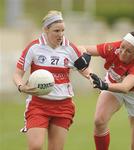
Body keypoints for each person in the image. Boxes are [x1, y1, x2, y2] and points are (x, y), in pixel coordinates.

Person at [13, 10, 91, 150]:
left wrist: (92, 78)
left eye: (62, 30)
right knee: (35, 147)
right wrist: (21, 86)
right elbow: (17, 74)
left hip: (63, 106)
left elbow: (84, 69)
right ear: (46, 29)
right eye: (56, 31)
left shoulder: (69, 47)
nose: (60, 34)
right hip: (38, 105)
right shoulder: (34, 47)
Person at [80, 31, 134, 150]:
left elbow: (125, 87)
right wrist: (84, 58)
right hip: (113, 83)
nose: (123, 52)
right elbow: (82, 48)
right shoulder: (113, 47)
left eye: (128, 51)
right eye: (122, 47)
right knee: (99, 121)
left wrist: (102, 85)